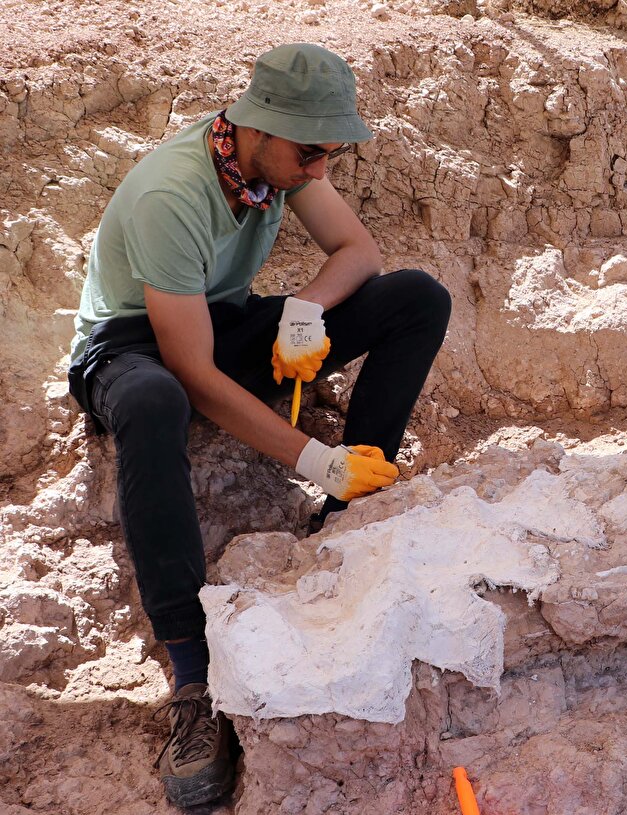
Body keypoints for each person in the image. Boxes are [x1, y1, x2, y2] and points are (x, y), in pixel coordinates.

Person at [67, 44, 451, 806]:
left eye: (329, 153)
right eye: (310, 153)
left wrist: (305, 308)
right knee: (154, 405)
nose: (318, 171)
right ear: (260, 127)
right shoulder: (170, 193)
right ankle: (191, 677)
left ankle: (347, 520)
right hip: (131, 345)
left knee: (416, 297)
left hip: (219, 319)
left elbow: (358, 251)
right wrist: (315, 457)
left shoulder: (278, 163)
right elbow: (197, 378)